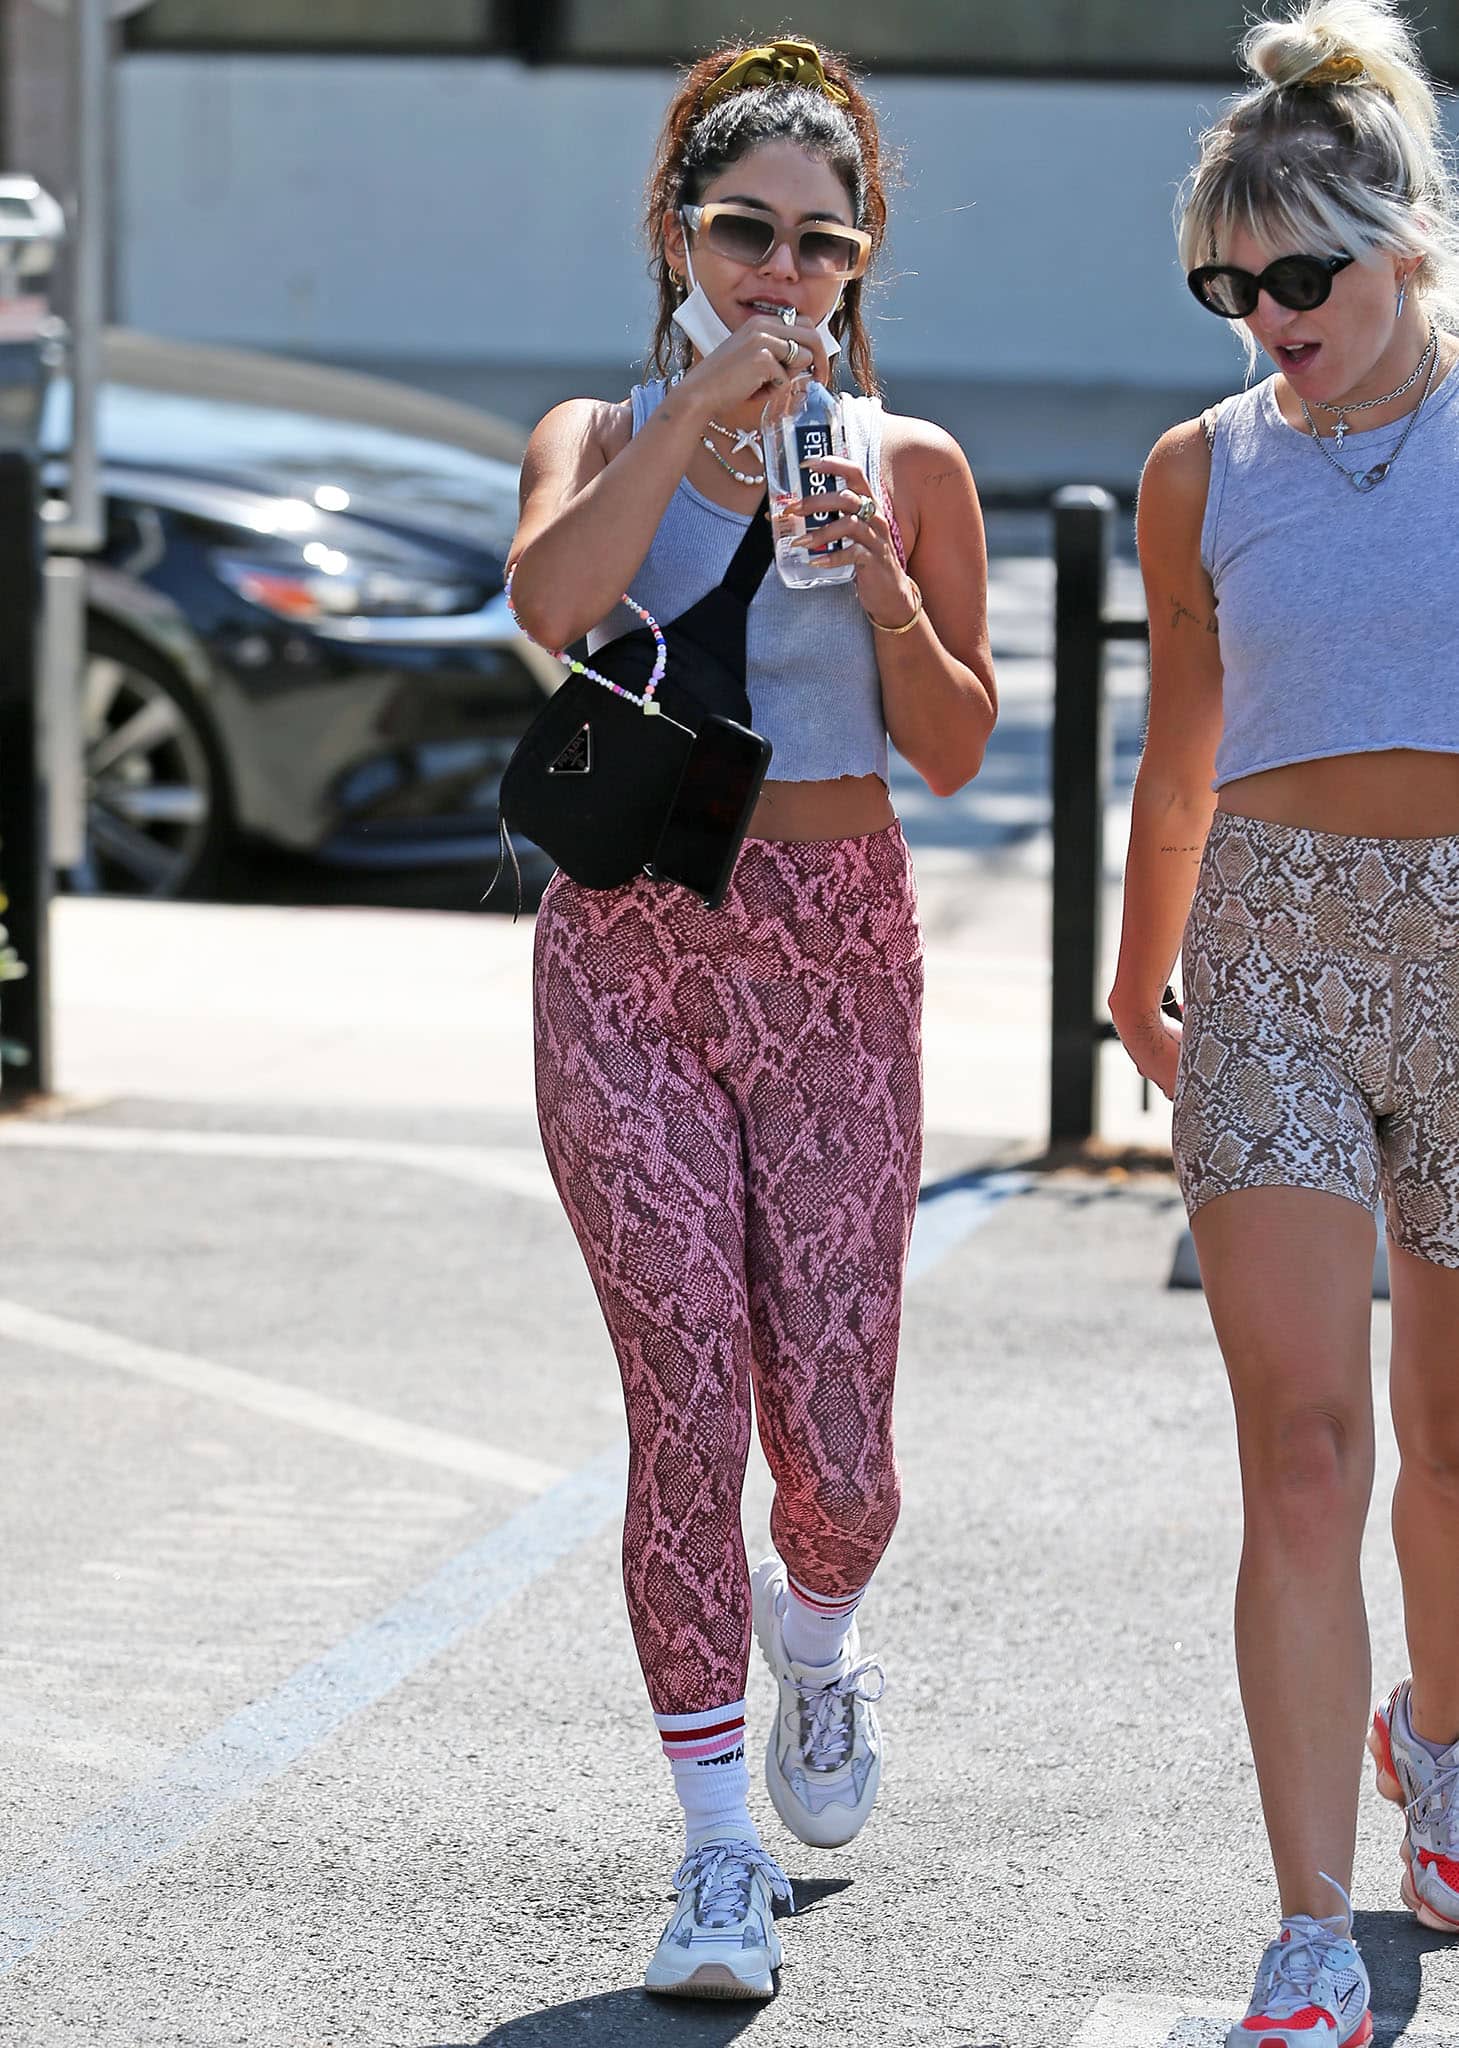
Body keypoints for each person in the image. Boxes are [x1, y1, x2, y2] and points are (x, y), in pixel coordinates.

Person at [507, 35, 995, 2003]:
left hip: (838, 948)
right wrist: (695, 414)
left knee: (843, 1458)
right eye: (744, 233)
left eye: (819, 242)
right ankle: (715, 1848)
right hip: (628, 948)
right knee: (688, 1398)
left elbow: (955, 746)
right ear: (677, 236)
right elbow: (554, 601)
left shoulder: (914, 463)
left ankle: (820, 1630)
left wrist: (881, 588)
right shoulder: (595, 426)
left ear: (859, 260)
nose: (781, 272)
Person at [1113, 2, 1459, 2041]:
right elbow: (1181, 749)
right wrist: (1132, 963)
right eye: (1228, 288)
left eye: (1300, 276)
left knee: (1453, 1439)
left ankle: (1444, 1749)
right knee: (1308, 1453)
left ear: (1402, 242)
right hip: (1266, 967)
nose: (1266, 318)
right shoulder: (1201, 469)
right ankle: (1311, 1929)